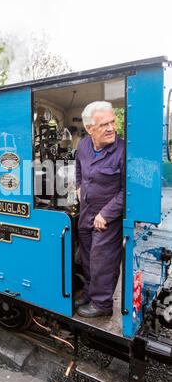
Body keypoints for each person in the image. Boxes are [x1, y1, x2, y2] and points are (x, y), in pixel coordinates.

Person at [75, 101, 124, 318]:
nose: (111, 128)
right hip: (86, 211)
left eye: (113, 122)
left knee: (102, 259)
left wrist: (107, 213)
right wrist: (78, 187)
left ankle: (102, 304)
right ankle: (89, 291)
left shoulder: (122, 151)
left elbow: (129, 191)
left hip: (107, 216)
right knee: (86, 255)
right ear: (89, 129)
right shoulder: (83, 146)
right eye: (104, 124)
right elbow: (78, 168)